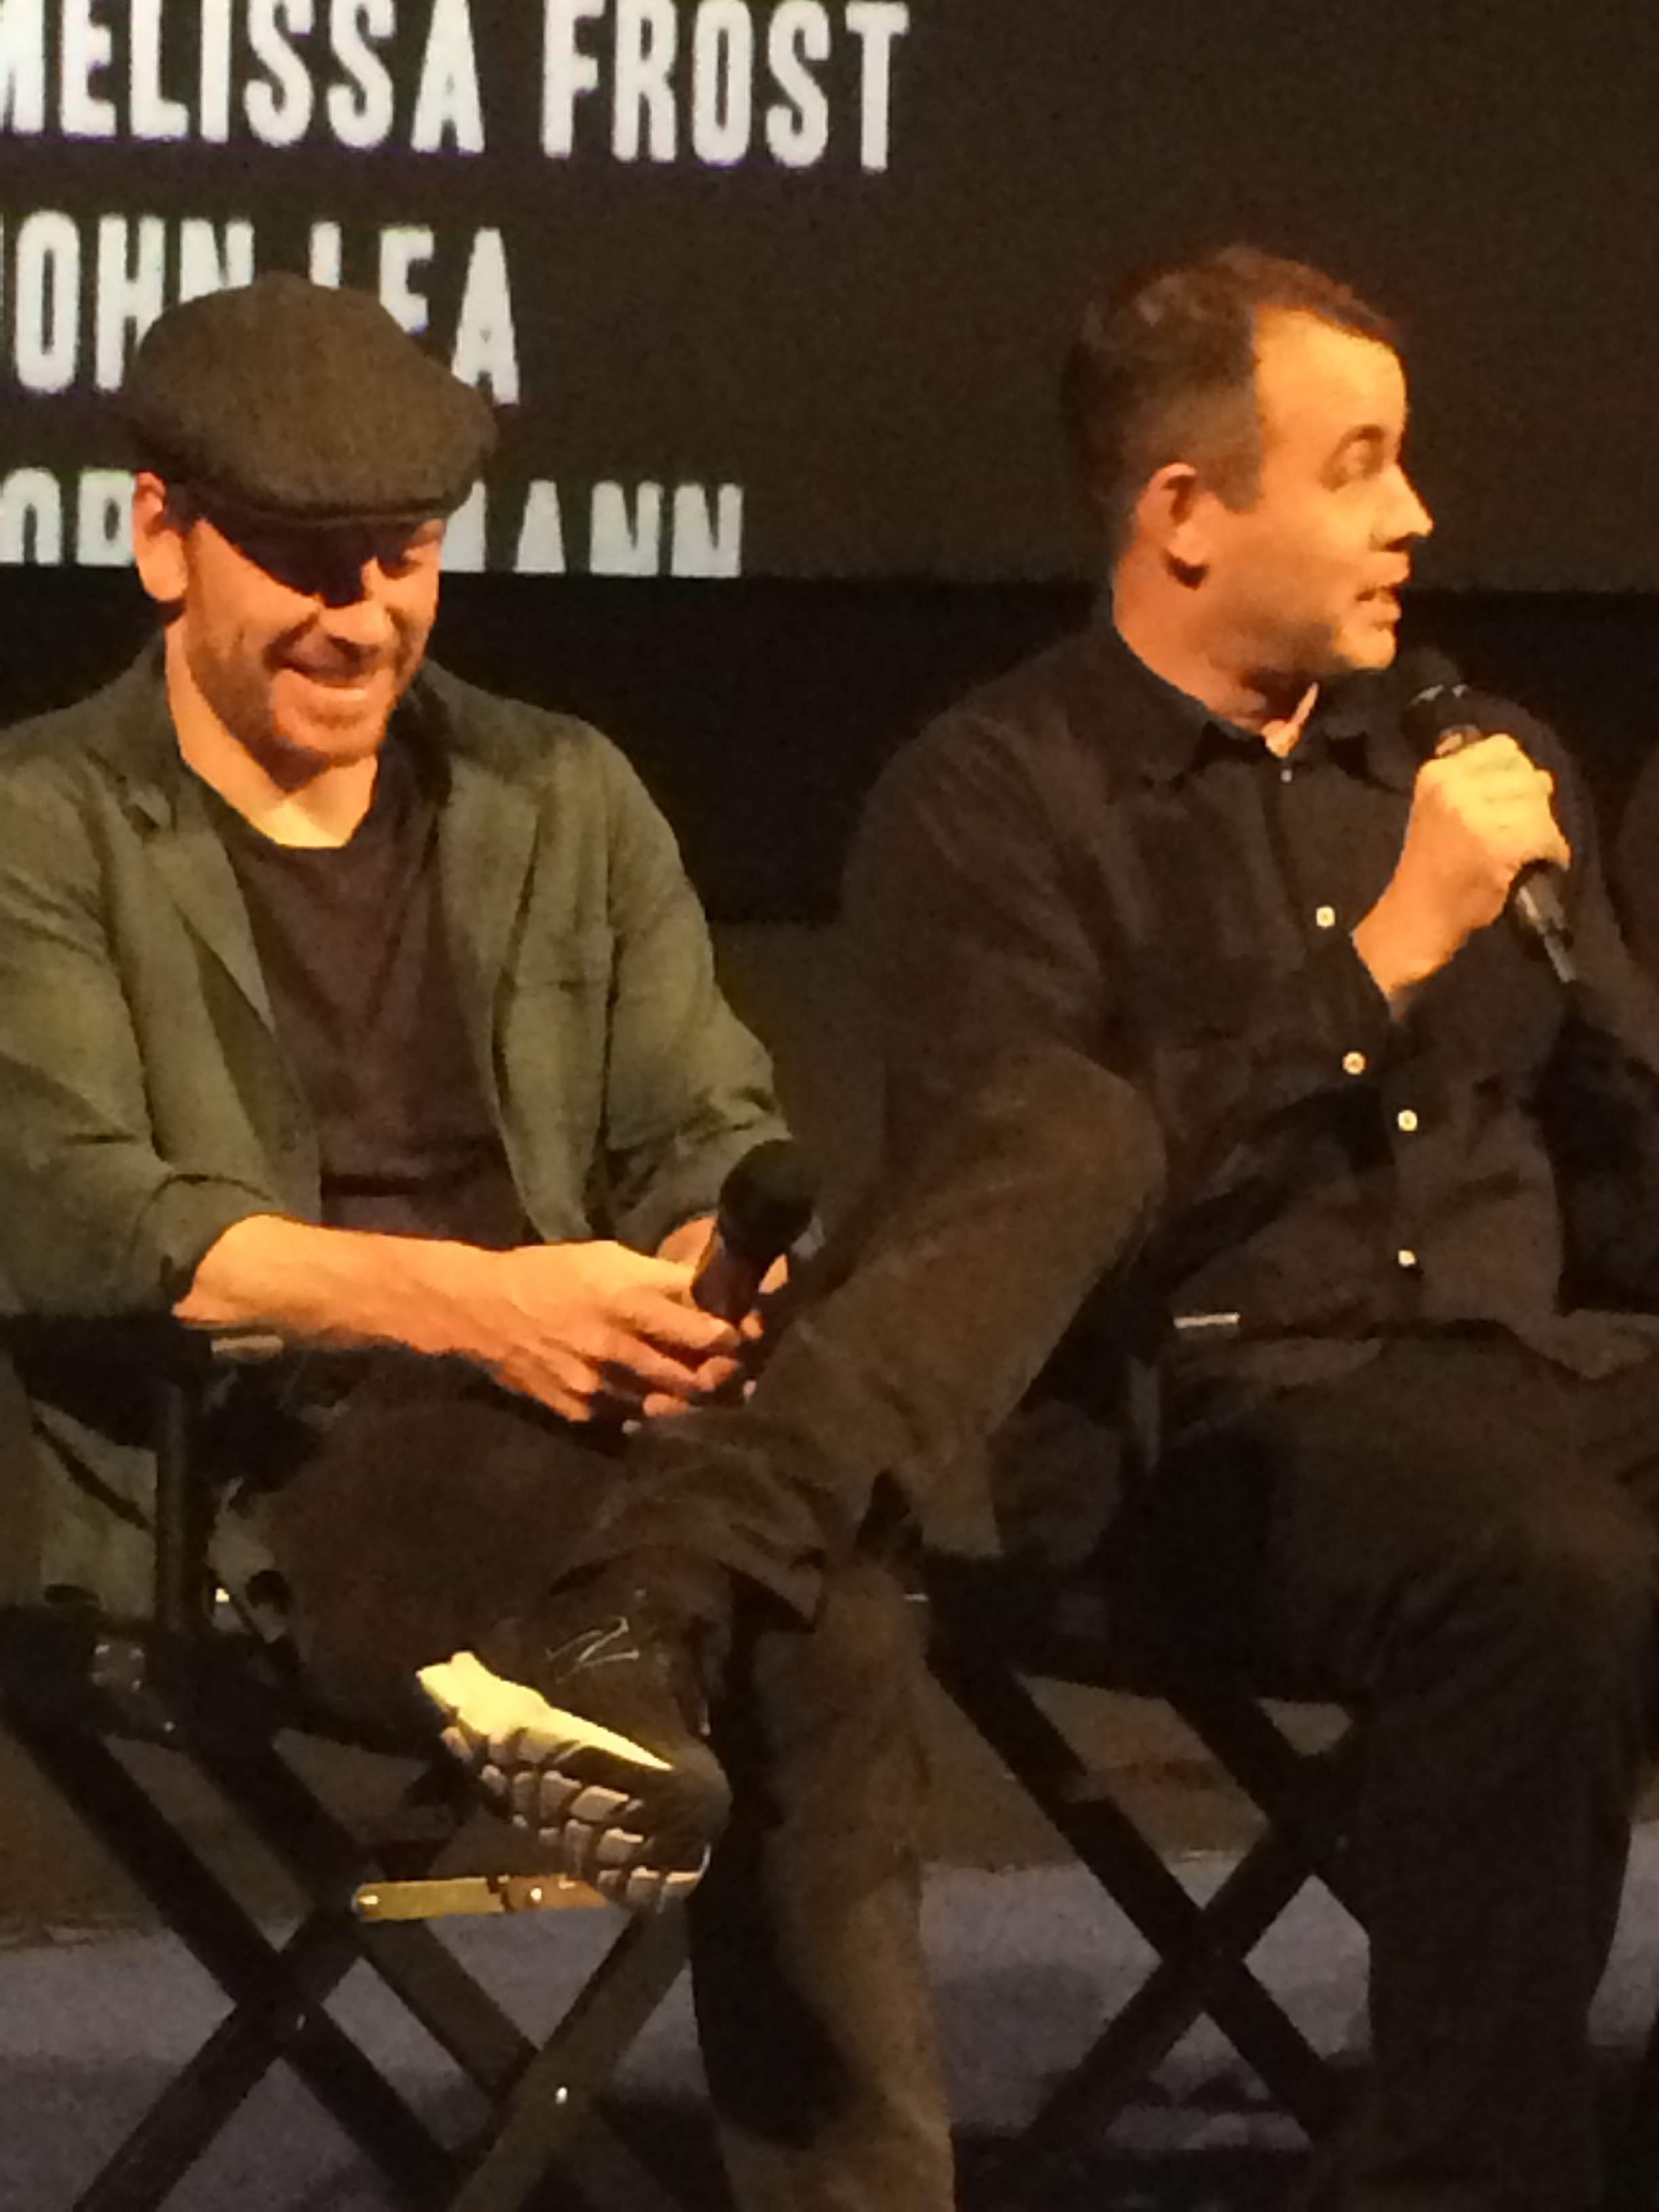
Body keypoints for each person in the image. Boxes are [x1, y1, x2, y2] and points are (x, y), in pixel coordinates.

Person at [0, 270, 956, 2211]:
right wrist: (481, 1309)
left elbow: (703, 1119)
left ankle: (623, 1664)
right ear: (161, 538)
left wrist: (697, 1261)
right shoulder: (41, 823)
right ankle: (630, 1676)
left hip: (603, 1426)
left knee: (1037, 1176)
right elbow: (83, 1213)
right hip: (269, 1474)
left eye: (404, 556)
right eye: (304, 561)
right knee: (826, 1613)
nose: (362, 614)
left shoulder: (559, 791)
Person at [842, 245, 1659, 2211]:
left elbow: (1615, 1160)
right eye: (1360, 466)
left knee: (1540, 1506)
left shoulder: (1471, 760)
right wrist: (1385, 957)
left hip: (1522, 1374)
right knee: (1539, 1566)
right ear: (1187, 514)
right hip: (1187, 1420)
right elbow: (1029, 1229)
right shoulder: (995, 800)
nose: (1418, 516)